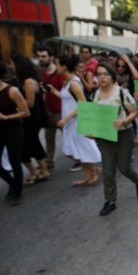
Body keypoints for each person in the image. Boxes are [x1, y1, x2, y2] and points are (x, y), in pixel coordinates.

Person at [92, 62, 138, 216]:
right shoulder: (96, 94)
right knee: (108, 170)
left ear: (112, 77)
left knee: (123, 167)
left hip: (123, 134)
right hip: (104, 135)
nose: (101, 77)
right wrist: (91, 131)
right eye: (99, 74)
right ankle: (110, 201)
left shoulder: (122, 92)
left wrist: (124, 121)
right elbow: (94, 116)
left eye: (105, 74)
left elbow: (134, 112)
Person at [54, 54, 102, 186]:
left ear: (64, 67)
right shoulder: (67, 82)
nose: (55, 67)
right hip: (70, 123)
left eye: (57, 64)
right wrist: (53, 91)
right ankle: (92, 171)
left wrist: (66, 118)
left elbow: (83, 104)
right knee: (70, 151)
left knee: (80, 149)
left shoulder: (74, 83)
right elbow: (67, 98)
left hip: (77, 121)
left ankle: (92, 172)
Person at [0, 58, 31, 205]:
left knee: (14, 161)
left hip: (13, 129)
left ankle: (17, 193)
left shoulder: (12, 91)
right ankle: (13, 183)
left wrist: (6, 117)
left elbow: (26, 112)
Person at [11, 53, 51, 185]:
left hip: (31, 117)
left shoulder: (28, 81)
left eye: (12, 64)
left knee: (27, 144)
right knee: (33, 142)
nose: (11, 66)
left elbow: (30, 103)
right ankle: (42, 171)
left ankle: (38, 172)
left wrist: (15, 108)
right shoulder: (25, 80)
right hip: (30, 117)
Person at [36, 45, 63, 169]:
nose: (41, 59)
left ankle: (82, 159)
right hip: (48, 111)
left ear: (51, 57)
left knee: (71, 136)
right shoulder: (42, 73)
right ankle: (48, 162)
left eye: (44, 56)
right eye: (39, 56)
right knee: (49, 138)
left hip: (60, 111)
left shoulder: (59, 73)